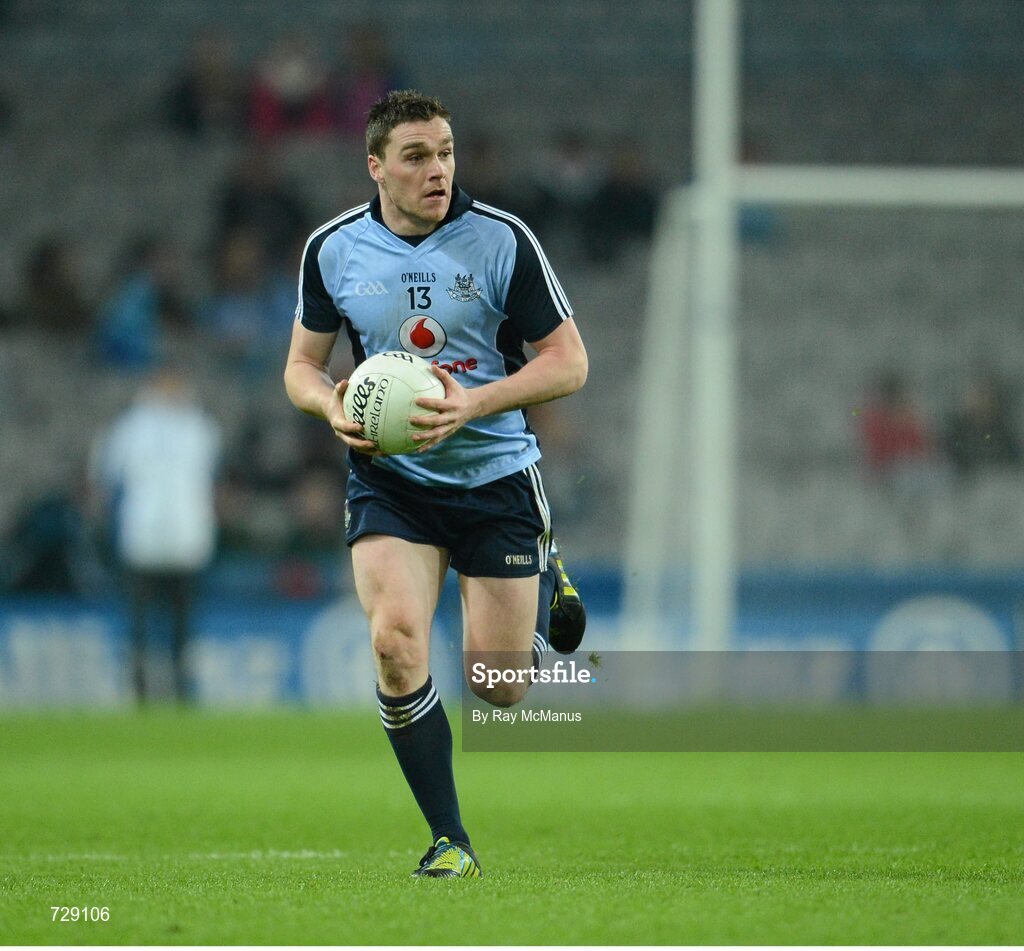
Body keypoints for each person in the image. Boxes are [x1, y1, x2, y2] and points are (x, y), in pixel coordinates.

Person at [283, 90, 588, 878]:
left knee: (500, 687)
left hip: (494, 474)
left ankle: (543, 560)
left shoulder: (502, 240)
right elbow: (302, 366)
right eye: (417, 156)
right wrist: (330, 405)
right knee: (394, 643)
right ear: (376, 167)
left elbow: (569, 362)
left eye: (446, 152)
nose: (438, 170)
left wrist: (472, 405)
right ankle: (450, 838)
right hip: (393, 481)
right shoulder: (334, 250)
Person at [90, 368, 221, 703]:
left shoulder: (194, 426)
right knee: (145, 622)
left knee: (178, 623)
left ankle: (177, 687)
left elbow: (104, 476)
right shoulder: (141, 426)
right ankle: (142, 688)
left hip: (175, 538)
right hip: (155, 538)